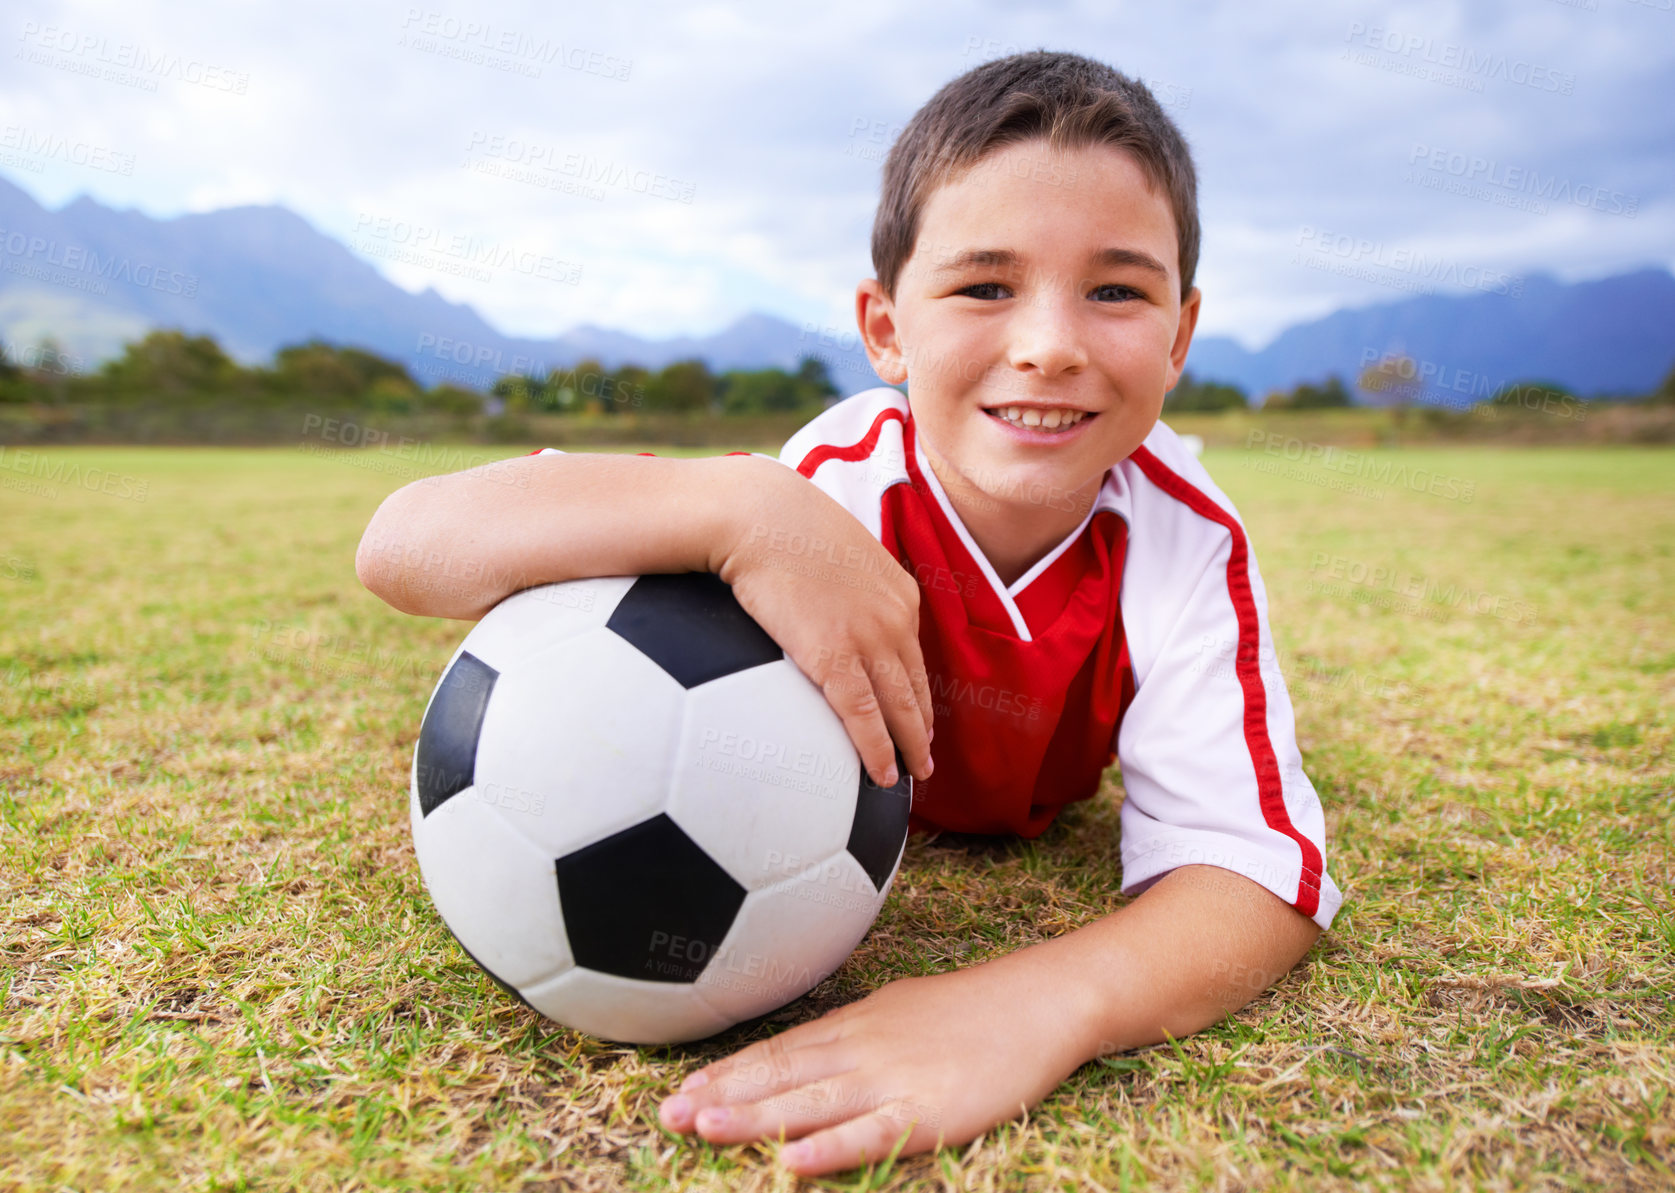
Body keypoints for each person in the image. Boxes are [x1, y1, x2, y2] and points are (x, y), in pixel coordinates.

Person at [355, 49, 1342, 1179]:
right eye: (984, 285)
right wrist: (737, 504)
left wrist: (1039, 1002)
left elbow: (1260, 871)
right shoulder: (822, 494)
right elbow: (401, 543)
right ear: (884, 330)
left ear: (1179, 332)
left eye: (1115, 290)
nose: (1051, 343)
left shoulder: (1185, 538)